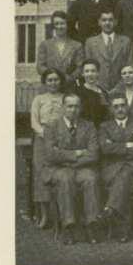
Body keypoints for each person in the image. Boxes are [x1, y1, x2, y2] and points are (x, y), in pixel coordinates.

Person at [42, 93, 100, 245]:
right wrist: (77, 153)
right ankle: (68, 226)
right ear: (63, 107)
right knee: (65, 179)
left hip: (80, 168)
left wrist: (64, 155)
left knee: (90, 178)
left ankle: (91, 225)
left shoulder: (89, 126)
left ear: (81, 108)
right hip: (57, 169)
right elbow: (50, 154)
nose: (73, 110)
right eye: (69, 106)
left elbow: (93, 154)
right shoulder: (51, 126)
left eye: (76, 106)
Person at [96, 95, 133, 243]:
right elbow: (104, 149)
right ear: (111, 109)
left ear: (127, 107)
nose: (120, 109)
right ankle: (121, 227)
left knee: (124, 176)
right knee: (124, 177)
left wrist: (115, 146)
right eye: (116, 106)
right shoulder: (104, 127)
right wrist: (128, 144)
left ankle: (110, 209)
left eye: (122, 105)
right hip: (112, 170)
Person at [30, 69, 65, 227]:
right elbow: (34, 122)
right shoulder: (38, 99)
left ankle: (61, 214)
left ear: (60, 81)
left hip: (61, 139)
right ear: (45, 82)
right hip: (42, 139)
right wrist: (45, 134)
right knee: (41, 174)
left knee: (60, 173)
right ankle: (44, 215)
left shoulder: (65, 98)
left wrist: (59, 137)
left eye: (56, 79)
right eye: (50, 80)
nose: (53, 83)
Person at [83, 10, 133, 90]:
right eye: (104, 20)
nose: (107, 23)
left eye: (110, 20)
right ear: (99, 22)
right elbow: (88, 69)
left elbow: (130, 65)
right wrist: (99, 88)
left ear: (116, 22)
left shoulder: (125, 41)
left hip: (121, 88)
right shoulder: (90, 42)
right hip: (97, 88)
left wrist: (119, 87)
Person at [37, 11, 83, 88]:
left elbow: (80, 67)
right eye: (56, 24)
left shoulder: (77, 45)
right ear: (53, 26)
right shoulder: (45, 45)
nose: (59, 26)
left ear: (67, 25)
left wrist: (69, 78)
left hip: (68, 86)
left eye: (62, 23)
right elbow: (40, 66)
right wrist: (52, 76)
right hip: (49, 86)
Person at [75, 59, 109, 126]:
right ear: (83, 74)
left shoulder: (103, 92)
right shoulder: (78, 92)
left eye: (93, 71)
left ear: (98, 73)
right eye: (87, 71)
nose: (90, 74)